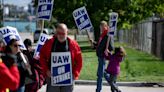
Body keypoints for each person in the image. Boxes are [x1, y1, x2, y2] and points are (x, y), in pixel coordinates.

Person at [40, 23, 82, 92]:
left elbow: (79, 61)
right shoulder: (49, 43)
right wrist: (46, 70)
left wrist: (75, 73)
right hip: (52, 78)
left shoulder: (73, 44)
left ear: (67, 32)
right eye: (59, 33)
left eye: (63, 33)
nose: (61, 35)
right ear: (56, 33)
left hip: (68, 79)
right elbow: (42, 56)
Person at [96, 21, 113, 92]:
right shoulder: (102, 35)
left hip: (103, 57)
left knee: (100, 75)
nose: (102, 28)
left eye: (103, 26)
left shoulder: (108, 35)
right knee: (104, 74)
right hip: (100, 57)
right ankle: (114, 86)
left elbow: (111, 47)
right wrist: (93, 43)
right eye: (101, 26)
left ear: (106, 26)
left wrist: (107, 49)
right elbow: (99, 45)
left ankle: (98, 90)